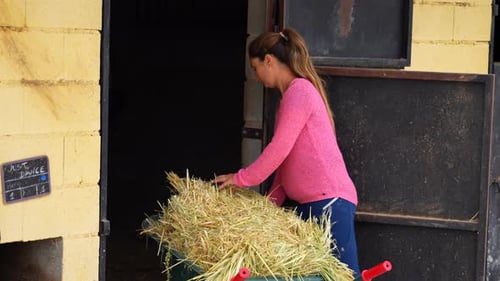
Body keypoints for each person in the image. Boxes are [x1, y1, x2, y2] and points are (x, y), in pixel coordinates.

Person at [213, 27, 360, 278]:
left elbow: (278, 150)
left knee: (344, 276)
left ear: (268, 60)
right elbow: (287, 165)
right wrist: (266, 208)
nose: (256, 76)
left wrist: (241, 178)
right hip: (312, 204)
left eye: (255, 67)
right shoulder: (291, 97)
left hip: (329, 204)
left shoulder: (300, 91)